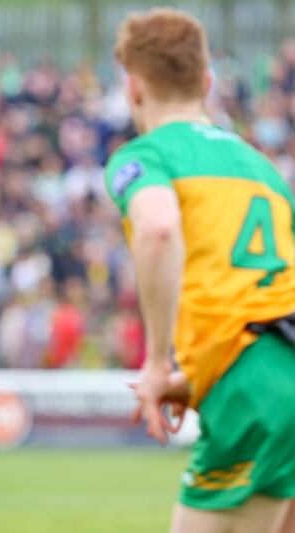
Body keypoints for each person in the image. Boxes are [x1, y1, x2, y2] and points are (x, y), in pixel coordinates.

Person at [105, 8, 295, 533]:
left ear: (134, 88)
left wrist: (158, 362)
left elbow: (159, 228)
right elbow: (267, 296)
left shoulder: (146, 156)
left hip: (254, 391)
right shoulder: (265, 169)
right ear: (207, 82)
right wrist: (195, 378)